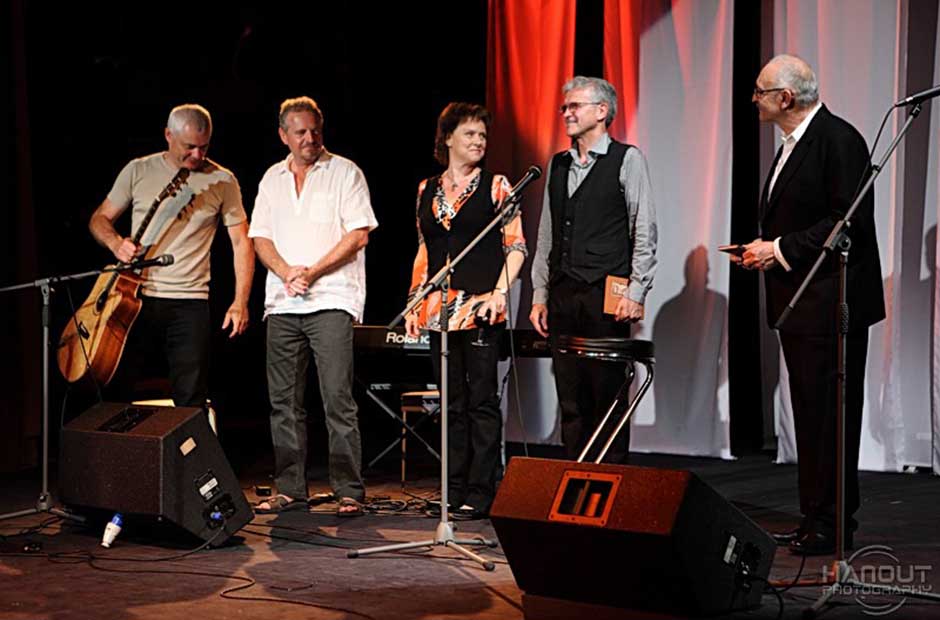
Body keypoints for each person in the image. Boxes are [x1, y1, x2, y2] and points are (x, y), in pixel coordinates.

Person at [732, 54, 885, 555]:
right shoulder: (792, 143)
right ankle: (813, 517)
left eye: (760, 91)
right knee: (809, 416)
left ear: (785, 97)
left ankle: (834, 522)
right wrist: (764, 250)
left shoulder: (838, 140)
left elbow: (847, 222)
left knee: (831, 418)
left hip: (831, 304)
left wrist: (777, 249)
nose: (753, 99)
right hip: (801, 304)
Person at [249, 96, 377, 517]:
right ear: (283, 135)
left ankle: (348, 490)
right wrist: (287, 271)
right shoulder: (272, 178)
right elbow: (260, 238)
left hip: (332, 299)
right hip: (282, 303)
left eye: (315, 130)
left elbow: (358, 235)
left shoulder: (344, 172)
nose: (310, 138)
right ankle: (290, 488)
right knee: (283, 403)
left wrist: (313, 272)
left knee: (337, 398)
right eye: (300, 132)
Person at [405, 102, 526, 520]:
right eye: (470, 134)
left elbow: (516, 247)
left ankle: (482, 489)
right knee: (451, 402)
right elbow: (424, 250)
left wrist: (499, 293)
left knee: (481, 401)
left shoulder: (497, 186)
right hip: (439, 309)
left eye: (483, 135)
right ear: (448, 139)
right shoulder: (426, 189)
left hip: (480, 307)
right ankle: (452, 488)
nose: (478, 142)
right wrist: (414, 300)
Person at [89, 103, 253, 408]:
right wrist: (116, 243)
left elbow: (242, 242)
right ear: (168, 135)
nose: (197, 156)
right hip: (134, 299)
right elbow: (99, 219)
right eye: (189, 147)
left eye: (204, 147)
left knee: (190, 398)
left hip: (190, 302)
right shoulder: (138, 170)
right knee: (116, 392)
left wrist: (240, 302)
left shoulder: (223, 180)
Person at [529, 76, 658, 463]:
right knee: (571, 397)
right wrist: (540, 294)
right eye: (565, 107)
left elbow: (643, 228)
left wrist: (636, 291)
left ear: (602, 111)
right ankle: (575, 476)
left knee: (607, 394)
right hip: (564, 293)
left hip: (606, 292)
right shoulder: (558, 164)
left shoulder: (627, 159)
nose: (567, 113)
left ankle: (610, 480)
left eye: (575, 106)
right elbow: (547, 233)